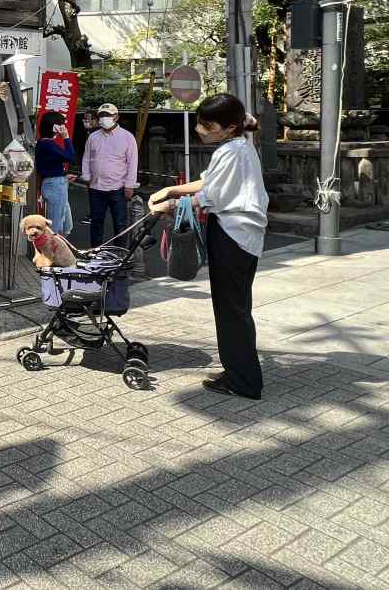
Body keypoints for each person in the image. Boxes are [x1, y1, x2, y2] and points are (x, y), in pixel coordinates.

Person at [148, 94, 268, 400]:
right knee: (235, 307)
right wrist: (171, 188)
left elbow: (210, 196)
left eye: (207, 125)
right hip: (239, 235)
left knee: (231, 310)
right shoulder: (237, 146)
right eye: (200, 123)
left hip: (233, 235)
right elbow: (208, 183)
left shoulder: (232, 152)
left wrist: (170, 203)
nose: (201, 129)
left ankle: (243, 381)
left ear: (228, 128)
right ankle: (239, 371)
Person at [80, 102, 138, 247]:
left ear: (116, 117)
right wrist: (86, 176)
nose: (103, 118)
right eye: (101, 115)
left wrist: (129, 186)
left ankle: (119, 254)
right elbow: (86, 158)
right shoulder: (93, 137)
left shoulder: (127, 137)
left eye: (107, 115)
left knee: (120, 224)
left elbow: (132, 163)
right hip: (96, 187)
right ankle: (94, 253)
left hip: (118, 188)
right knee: (96, 222)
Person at [35, 111, 76, 236]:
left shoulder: (43, 143)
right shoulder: (49, 144)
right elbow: (70, 156)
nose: (63, 127)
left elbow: (51, 164)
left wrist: (63, 175)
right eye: (61, 124)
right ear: (54, 127)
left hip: (56, 181)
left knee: (65, 222)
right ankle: (53, 252)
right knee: (57, 224)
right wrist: (66, 138)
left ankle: (58, 249)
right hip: (55, 184)